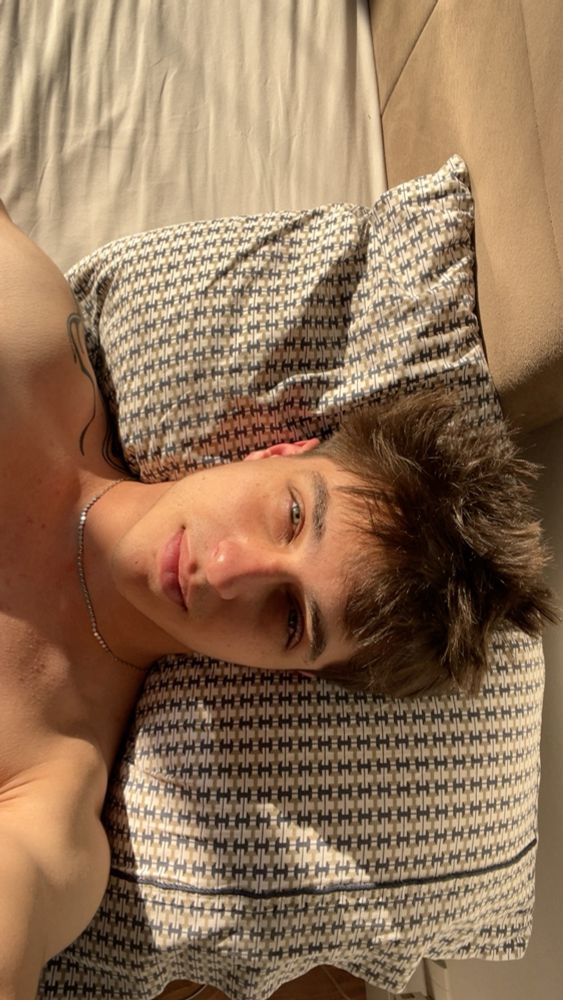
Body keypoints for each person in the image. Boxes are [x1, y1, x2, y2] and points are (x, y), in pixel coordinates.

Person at [0, 199, 556, 997]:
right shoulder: (26, 334)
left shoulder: (53, 793)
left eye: (291, 618)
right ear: (279, 448)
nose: (226, 571)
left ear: (286, 671)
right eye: (292, 515)